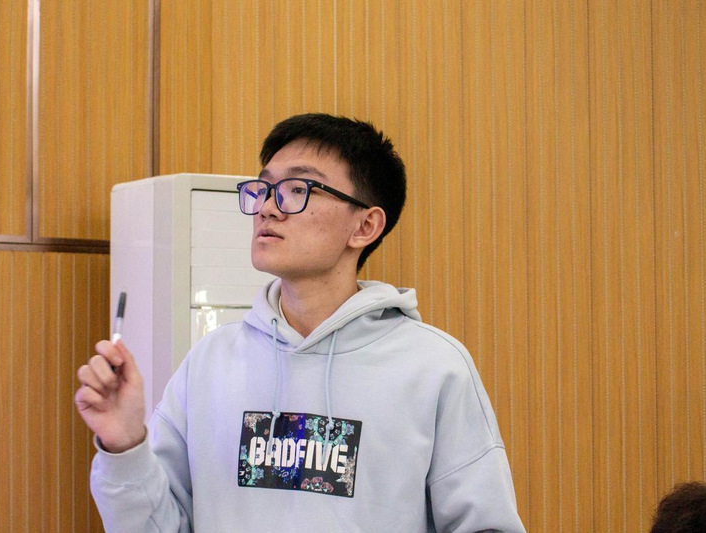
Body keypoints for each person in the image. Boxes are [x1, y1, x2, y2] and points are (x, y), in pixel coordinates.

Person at [75, 113, 525, 532]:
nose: (267, 208)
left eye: (298, 189)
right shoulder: (212, 361)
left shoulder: (433, 367)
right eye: (264, 188)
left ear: (365, 227)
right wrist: (124, 445)